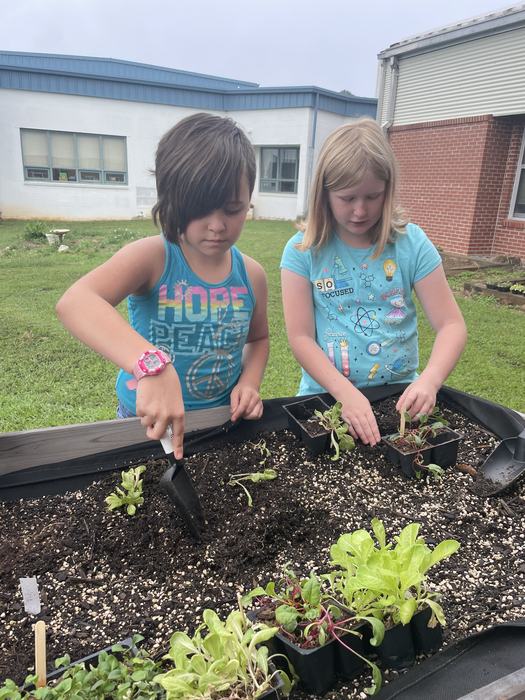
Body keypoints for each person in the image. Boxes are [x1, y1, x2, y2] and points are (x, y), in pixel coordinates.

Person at [56, 113, 269, 459]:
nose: (217, 225)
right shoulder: (153, 257)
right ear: (171, 201)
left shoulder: (251, 274)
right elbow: (76, 302)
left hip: (219, 420)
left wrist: (249, 383)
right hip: (145, 423)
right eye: (200, 210)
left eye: (233, 209)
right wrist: (151, 364)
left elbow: (258, 339)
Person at [280, 119, 467, 447]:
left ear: (388, 189)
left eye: (373, 196)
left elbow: (451, 325)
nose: (360, 210)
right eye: (347, 197)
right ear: (323, 194)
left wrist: (430, 381)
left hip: (398, 401)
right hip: (326, 401)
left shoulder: (411, 244)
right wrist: (346, 395)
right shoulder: (303, 251)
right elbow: (300, 338)